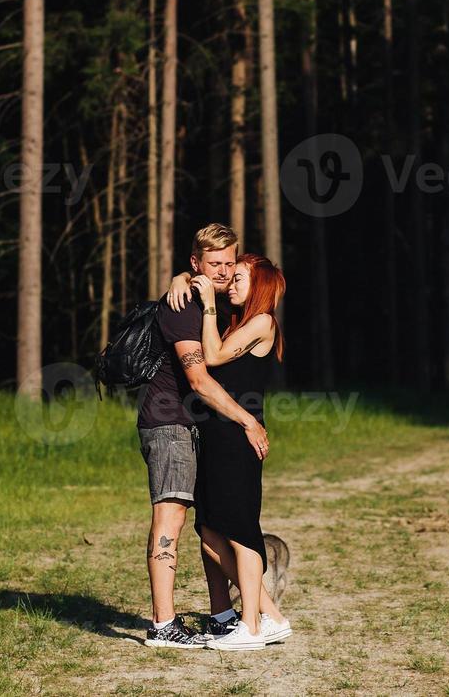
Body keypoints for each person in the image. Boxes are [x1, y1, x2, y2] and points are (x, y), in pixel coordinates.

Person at [139, 223, 270, 648]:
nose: (224, 270)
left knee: (208, 526)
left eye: (230, 262)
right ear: (195, 264)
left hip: (198, 428)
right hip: (170, 423)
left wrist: (186, 281)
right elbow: (199, 379)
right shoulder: (182, 308)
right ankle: (164, 625)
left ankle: (221, 616)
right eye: (214, 263)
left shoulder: (217, 302)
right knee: (171, 517)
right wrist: (248, 420)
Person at [186, 255, 291, 651]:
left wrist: (209, 304)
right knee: (210, 531)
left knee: (241, 530)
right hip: (217, 436)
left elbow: (211, 357)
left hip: (239, 440)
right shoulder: (239, 323)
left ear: (259, 284)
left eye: (240, 277)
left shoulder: (262, 322)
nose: (230, 283)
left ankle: (250, 625)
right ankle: (273, 617)